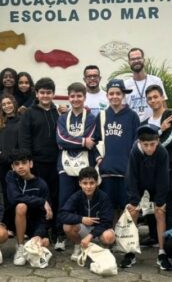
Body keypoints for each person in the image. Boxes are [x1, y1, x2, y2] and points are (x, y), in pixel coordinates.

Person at [18, 77, 62, 249]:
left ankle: (56, 230)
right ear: (36, 94)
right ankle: (40, 230)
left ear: (53, 94)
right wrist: (29, 162)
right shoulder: (29, 113)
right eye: (42, 92)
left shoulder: (57, 112)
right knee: (40, 198)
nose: (45, 95)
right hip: (37, 163)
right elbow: (24, 139)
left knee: (56, 197)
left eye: (48, 92)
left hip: (57, 162)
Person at [124, 124, 171, 269]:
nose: (150, 148)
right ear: (140, 143)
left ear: (157, 141)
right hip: (138, 184)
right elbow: (131, 177)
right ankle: (130, 252)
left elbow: (163, 177)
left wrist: (160, 201)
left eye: (152, 144)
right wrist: (134, 200)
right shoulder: (134, 151)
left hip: (156, 185)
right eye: (146, 145)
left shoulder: (162, 152)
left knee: (160, 212)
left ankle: (162, 253)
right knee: (133, 212)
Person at [93, 79, 140, 221]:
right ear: (107, 95)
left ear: (123, 95)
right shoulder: (102, 116)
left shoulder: (132, 116)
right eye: (111, 93)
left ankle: (126, 240)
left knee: (128, 208)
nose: (114, 96)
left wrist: (133, 165)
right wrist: (98, 159)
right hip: (107, 171)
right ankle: (111, 237)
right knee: (110, 209)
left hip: (126, 171)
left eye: (118, 93)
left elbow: (137, 143)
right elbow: (95, 141)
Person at [141, 84, 172, 246]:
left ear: (162, 97)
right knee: (150, 203)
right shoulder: (145, 121)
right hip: (148, 169)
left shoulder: (171, 116)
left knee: (165, 202)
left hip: (166, 167)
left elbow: (171, 138)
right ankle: (153, 235)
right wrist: (158, 131)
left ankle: (169, 237)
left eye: (156, 97)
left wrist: (151, 149)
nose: (153, 100)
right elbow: (142, 143)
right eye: (149, 98)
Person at [56, 82, 97, 242]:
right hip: (65, 165)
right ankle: (62, 234)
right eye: (72, 96)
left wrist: (76, 141)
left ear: (84, 97)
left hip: (85, 164)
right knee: (65, 199)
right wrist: (82, 142)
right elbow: (60, 140)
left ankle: (86, 234)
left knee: (85, 198)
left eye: (79, 96)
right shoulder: (63, 118)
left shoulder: (92, 118)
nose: (76, 99)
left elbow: (91, 139)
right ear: (69, 97)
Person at [5, 149, 52, 266]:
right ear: (12, 167)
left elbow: (43, 215)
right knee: (21, 206)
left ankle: (31, 240)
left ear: (30, 164)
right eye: (17, 164)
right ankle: (20, 247)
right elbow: (14, 198)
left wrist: (39, 234)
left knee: (44, 242)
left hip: (33, 222)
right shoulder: (11, 176)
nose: (20, 167)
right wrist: (41, 201)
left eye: (24, 163)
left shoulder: (41, 184)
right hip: (12, 220)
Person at [60, 166, 115, 261]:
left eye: (91, 183)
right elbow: (62, 215)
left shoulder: (104, 197)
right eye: (85, 183)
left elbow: (107, 221)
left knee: (109, 237)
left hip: (99, 230)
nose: (88, 186)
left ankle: (103, 248)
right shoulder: (76, 196)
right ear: (79, 184)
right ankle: (78, 246)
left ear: (97, 183)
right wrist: (82, 219)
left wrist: (90, 236)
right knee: (67, 227)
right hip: (84, 228)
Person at [0, 93, 21, 207]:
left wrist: (15, 157)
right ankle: (6, 221)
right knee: (5, 191)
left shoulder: (22, 120)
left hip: (17, 162)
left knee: (17, 191)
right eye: (4, 104)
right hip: (1, 162)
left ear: (14, 103)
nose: (7, 106)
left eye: (9, 103)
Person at [123, 47, 167, 122]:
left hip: (155, 127)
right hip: (133, 128)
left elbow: (164, 105)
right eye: (133, 59)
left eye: (139, 58)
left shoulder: (156, 81)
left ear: (144, 60)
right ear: (129, 62)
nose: (136, 61)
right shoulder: (125, 85)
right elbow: (123, 110)